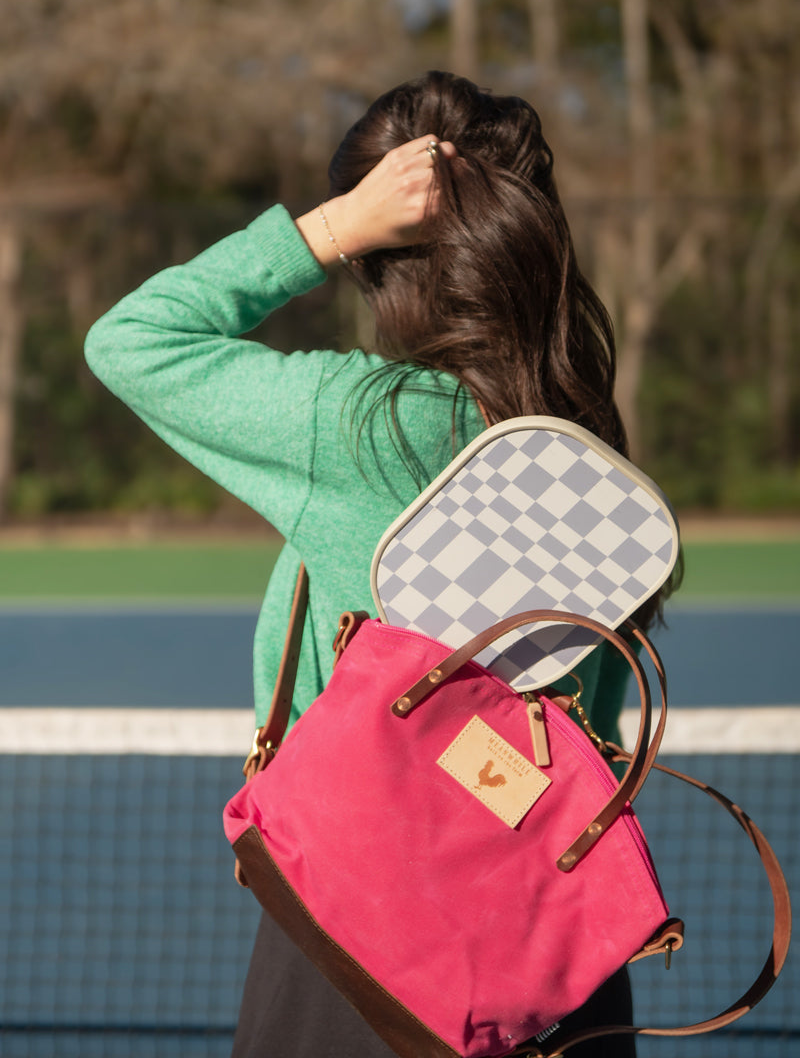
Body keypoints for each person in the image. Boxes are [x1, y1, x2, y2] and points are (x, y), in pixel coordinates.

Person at [85, 70, 656, 1057]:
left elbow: (131, 341)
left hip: (364, 941)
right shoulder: (579, 443)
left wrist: (329, 225)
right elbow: (590, 734)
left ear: (378, 265)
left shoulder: (351, 426)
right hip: (557, 946)